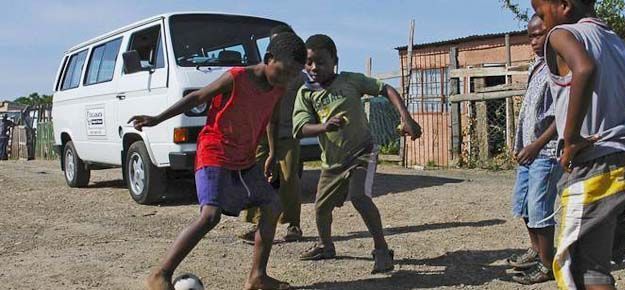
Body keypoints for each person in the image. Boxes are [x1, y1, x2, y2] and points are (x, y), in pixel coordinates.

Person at [130, 32, 306, 290]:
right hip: (215, 151)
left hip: (244, 158)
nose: (288, 79)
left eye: (294, 75)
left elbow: (273, 120)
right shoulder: (238, 77)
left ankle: (257, 277)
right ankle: (161, 273)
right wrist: (157, 118)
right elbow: (197, 97)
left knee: (272, 204)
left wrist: (271, 153)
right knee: (210, 216)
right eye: (285, 71)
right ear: (269, 59)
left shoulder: (278, 89)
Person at [531, 0, 625, 289]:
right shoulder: (617, 43)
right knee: (594, 265)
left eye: (540, 10)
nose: (540, 19)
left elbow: (584, 68)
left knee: (579, 269)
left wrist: (570, 139)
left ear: (563, 6)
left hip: (595, 169)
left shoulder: (561, 35)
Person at [292, 34, 422, 273]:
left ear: (335, 61)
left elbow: (386, 89)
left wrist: (407, 118)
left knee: (360, 197)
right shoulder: (305, 94)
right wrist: (325, 126)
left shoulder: (350, 81)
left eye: (320, 62)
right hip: (332, 162)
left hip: (363, 152)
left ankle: (382, 250)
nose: (313, 67)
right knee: (321, 208)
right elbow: (300, 128)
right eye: (308, 62)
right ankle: (325, 245)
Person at [239, 24, 307, 244]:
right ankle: (259, 226)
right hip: (260, 135)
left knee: (289, 179)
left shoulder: (297, 76)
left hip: (287, 133)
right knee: (257, 176)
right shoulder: (260, 73)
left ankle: (293, 225)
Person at [507, 15, 561, 285]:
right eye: (531, 36)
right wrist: (522, 145)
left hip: (547, 151)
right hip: (528, 150)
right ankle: (536, 250)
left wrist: (537, 145)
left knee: (540, 209)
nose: (534, 41)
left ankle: (547, 265)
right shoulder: (537, 67)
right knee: (524, 206)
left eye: (540, 34)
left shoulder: (560, 66)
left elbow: (562, 115)